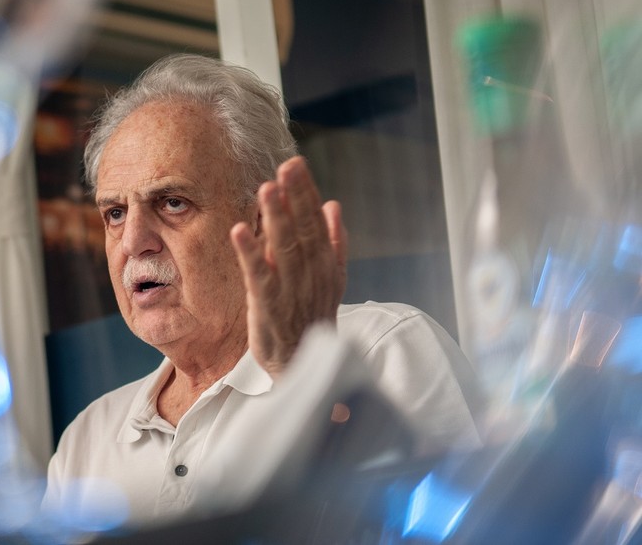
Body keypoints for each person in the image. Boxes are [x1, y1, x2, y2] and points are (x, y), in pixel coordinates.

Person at [43, 53, 480, 526]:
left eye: (172, 203)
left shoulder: (385, 349)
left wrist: (306, 376)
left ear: (260, 220)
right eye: (115, 213)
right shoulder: (85, 443)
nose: (133, 242)